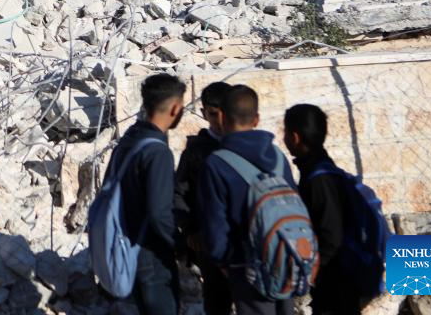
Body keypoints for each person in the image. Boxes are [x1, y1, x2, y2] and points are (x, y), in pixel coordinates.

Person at [198, 85, 296, 315]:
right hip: (285, 258)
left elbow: (214, 223)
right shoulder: (277, 157)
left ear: (222, 117)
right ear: (257, 118)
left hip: (246, 265)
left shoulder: (216, 164)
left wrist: (224, 261)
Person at [103, 73, 186, 315]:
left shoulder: (130, 139)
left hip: (127, 248)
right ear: (174, 108)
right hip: (151, 253)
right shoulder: (158, 152)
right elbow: (159, 213)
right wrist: (180, 245)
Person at [283, 104, 359, 315]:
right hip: (337, 278)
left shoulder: (320, 180)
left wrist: (313, 269)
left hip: (336, 281)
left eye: (285, 132)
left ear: (295, 137)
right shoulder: (319, 169)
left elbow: (332, 236)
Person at [173, 82, 233, 315]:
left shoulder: (243, 145)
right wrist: (190, 229)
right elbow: (179, 192)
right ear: (204, 113)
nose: (220, 120)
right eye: (213, 114)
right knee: (218, 303)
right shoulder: (196, 151)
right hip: (210, 242)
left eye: (224, 113)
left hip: (243, 240)